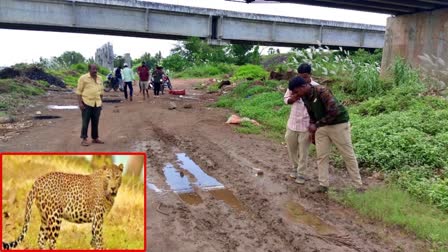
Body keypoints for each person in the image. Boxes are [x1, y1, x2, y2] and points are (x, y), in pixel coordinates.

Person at [288, 76, 363, 193]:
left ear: (303, 86)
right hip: (322, 127)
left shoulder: (322, 91)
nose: (295, 95)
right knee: (322, 156)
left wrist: (316, 124)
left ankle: (358, 186)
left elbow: (334, 112)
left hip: (338, 124)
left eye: (296, 91)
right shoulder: (304, 97)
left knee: (347, 155)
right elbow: (311, 114)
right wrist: (312, 127)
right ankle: (323, 185)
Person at [284, 63, 319, 184]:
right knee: (291, 147)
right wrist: (291, 99)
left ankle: (301, 173)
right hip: (292, 123)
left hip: (306, 125)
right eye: (300, 76)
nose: (302, 79)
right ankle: (294, 168)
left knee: (303, 151)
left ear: (310, 75)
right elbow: (285, 99)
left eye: (304, 77)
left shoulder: (316, 87)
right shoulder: (294, 84)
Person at [76, 64, 105, 146]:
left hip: (97, 103)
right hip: (86, 103)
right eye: (93, 69)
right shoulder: (83, 78)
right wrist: (80, 103)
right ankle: (84, 139)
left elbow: (101, 92)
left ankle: (95, 138)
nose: (95, 70)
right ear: (89, 69)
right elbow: (78, 92)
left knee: (95, 122)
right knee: (85, 122)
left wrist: (101, 103)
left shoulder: (100, 78)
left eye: (96, 69)